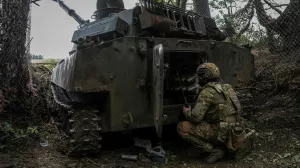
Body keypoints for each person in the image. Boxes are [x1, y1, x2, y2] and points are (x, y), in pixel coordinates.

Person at [177, 62, 255, 163]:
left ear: (205, 76)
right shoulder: (228, 87)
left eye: (200, 76)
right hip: (235, 129)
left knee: (182, 127)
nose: (199, 79)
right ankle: (223, 146)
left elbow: (195, 118)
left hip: (220, 132)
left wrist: (187, 112)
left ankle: (212, 149)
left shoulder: (207, 91)